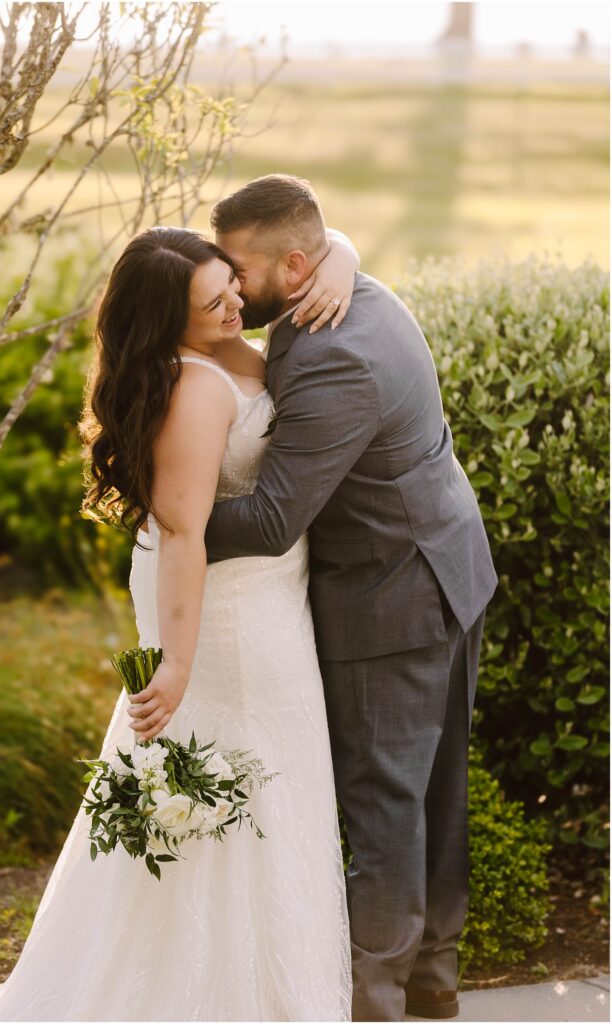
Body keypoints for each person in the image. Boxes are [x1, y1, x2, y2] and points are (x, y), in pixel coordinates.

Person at [0, 225, 360, 1022]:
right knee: (240, 780)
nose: (237, 302)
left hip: (264, 595)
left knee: (266, 780)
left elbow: (314, 233)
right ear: (170, 323)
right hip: (222, 614)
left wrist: (344, 258)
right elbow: (185, 533)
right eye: (214, 301)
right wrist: (178, 665)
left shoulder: (224, 336)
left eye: (231, 283)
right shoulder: (194, 388)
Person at [203, 174, 499, 1023]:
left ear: (295, 267)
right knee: (428, 793)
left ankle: (375, 996)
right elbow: (326, 245)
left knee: (382, 804)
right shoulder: (355, 288)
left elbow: (266, 520)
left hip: (393, 595)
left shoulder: (333, 351)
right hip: (445, 566)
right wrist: (343, 251)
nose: (227, 284)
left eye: (238, 269)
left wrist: (163, 518)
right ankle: (433, 980)